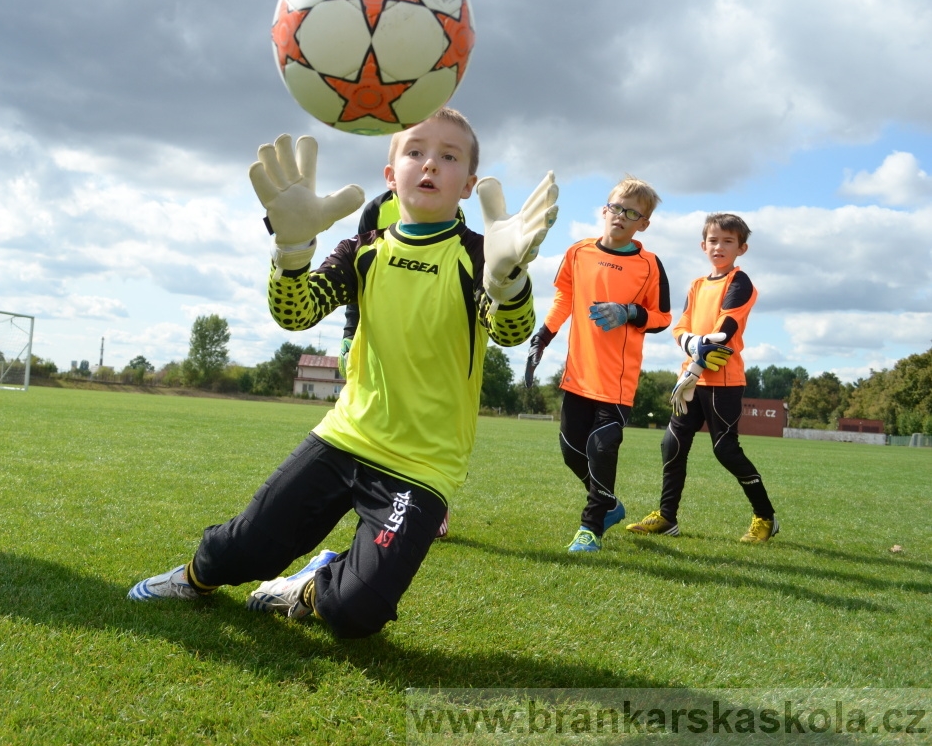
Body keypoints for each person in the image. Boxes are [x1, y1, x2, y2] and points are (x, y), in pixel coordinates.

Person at [129, 109, 558, 637]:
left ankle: (308, 585)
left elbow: (510, 332)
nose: (430, 164)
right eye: (416, 152)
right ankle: (193, 579)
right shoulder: (364, 250)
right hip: (344, 437)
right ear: (390, 174)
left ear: (468, 184)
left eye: (449, 157)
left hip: (422, 466)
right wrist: (291, 249)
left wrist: (508, 281)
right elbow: (295, 313)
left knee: (356, 613)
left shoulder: (480, 255)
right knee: (244, 548)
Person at [525, 178, 671, 552]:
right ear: (604, 210)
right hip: (578, 375)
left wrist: (630, 312)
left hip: (617, 381)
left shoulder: (650, 266)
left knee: (603, 446)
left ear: (644, 223)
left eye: (633, 213)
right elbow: (564, 299)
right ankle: (607, 503)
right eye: (617, 208)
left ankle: (589, 529)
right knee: (572, 452)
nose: (621, 217)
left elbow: (663, 317)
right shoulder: (578, 253)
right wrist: (542, 337)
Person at [626, 213, 779, 542]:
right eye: (713, 240)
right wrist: (690, 343)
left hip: (722, 382)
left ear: (742, 248)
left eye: (728, 241)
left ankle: (765, 517)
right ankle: (667, 517)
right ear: (703, 245)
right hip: (691, 381)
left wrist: (695, 366)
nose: (719, 247)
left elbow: (724, 334)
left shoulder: (739, 282)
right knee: (672, 444)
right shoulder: (697, 285)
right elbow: (680, 327)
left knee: (725, 450)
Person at [338, 190, 464, 540]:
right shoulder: (376, 210)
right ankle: (374, 499)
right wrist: (350, 331)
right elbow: (357, 275)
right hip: (378, 333)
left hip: (427, 337)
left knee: (424, 420)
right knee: (375, 415)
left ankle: (435, 503)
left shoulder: (449, 208)